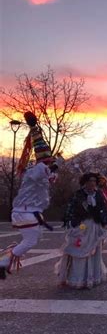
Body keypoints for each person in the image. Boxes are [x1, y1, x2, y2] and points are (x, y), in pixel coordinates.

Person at [0, 112, 59, 279]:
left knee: (34, 236)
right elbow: (47, 174)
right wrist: (34, 128)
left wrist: (55, 168)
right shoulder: (39, 169)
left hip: (27, 211)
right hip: (26, 212)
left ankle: (6, 258)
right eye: (50, 160)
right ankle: (3, 261)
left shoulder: (37, 171)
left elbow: (50, 178)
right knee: (31, 240)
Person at [56, 172, 107, 289]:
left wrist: (105, 220)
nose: (92, 183)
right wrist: (71, 221)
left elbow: (103, 208)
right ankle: (78, 279)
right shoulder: (78, 195)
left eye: (94, 181)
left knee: (94, 252)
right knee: (79, 251)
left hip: (94, 226)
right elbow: (70, 210)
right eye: (89, 181)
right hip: (81, 226)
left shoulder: (98, 194)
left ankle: (91, 278)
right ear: (84, 182)